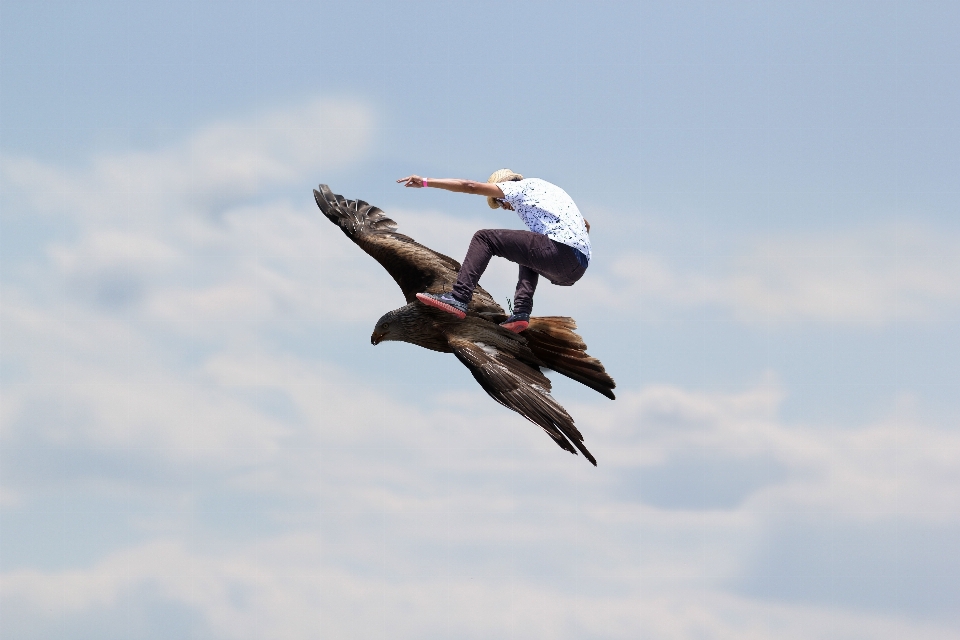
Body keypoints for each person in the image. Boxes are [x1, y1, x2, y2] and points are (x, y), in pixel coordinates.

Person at [396, 169, 591, 333]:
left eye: (498, 201)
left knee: (484, 237)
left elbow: (469, 186)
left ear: (503, 188)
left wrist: (425, 182)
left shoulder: (517, 188)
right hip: (577, 266)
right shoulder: (548, 191)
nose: (503, 207)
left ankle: (458, 298)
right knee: (526, 249)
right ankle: (521, 313)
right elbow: (585, 225)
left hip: (559, 251)